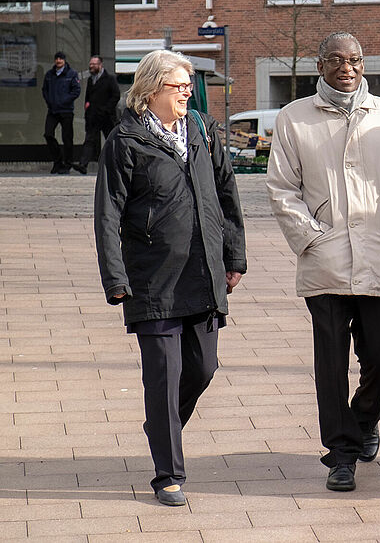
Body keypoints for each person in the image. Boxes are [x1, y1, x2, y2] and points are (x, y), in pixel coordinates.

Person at [267, 32, 380, 492]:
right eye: (337, 59)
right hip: (325, 262)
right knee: (331, 365)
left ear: (365, 63)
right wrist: (311, 237)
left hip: (379, 257)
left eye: (355, 59)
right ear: (320, 65)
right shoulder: (294, 118)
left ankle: (364, 420)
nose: (347, 67)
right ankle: (341, 454)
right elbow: (282, 189)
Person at [94, 49, 247, 507]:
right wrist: (115, 278)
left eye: (188, 85)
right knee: (163, 377)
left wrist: (234, 256)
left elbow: (226, 193)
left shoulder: (201, 129)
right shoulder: (125, 140)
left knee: (203, 368)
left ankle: (161, 425)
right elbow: (107, 214)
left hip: (203, 275)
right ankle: (168, 475)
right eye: (179, 85)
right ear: (151, 88)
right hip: (153, 280)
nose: (187, 92)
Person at [76, 55, 122, 174]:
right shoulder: (91, 80)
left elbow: (116, 95)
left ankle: (118, 163)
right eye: (90, 64)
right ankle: (83, 164)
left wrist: (107, 109)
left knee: (111, 139)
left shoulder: (110, 79)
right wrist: (87, 107)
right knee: (90, 139)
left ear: (100, 65)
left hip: (106, 116)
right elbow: (88, 96)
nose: (91, 66)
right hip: (93, 116)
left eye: (94, 64)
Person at [42, 51, 81, 174]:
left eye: (61, 59)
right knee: (48, 134)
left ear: (64, 60)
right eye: (56, 59)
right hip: (52, 110)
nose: (58, 61)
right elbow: (45, 90)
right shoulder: (49, 75)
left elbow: (76, 90)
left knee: (67, 138)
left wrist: (64, 101)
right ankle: (57, 161)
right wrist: (50, 102)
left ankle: (67, 164)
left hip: (66, 111)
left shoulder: (72, 74)